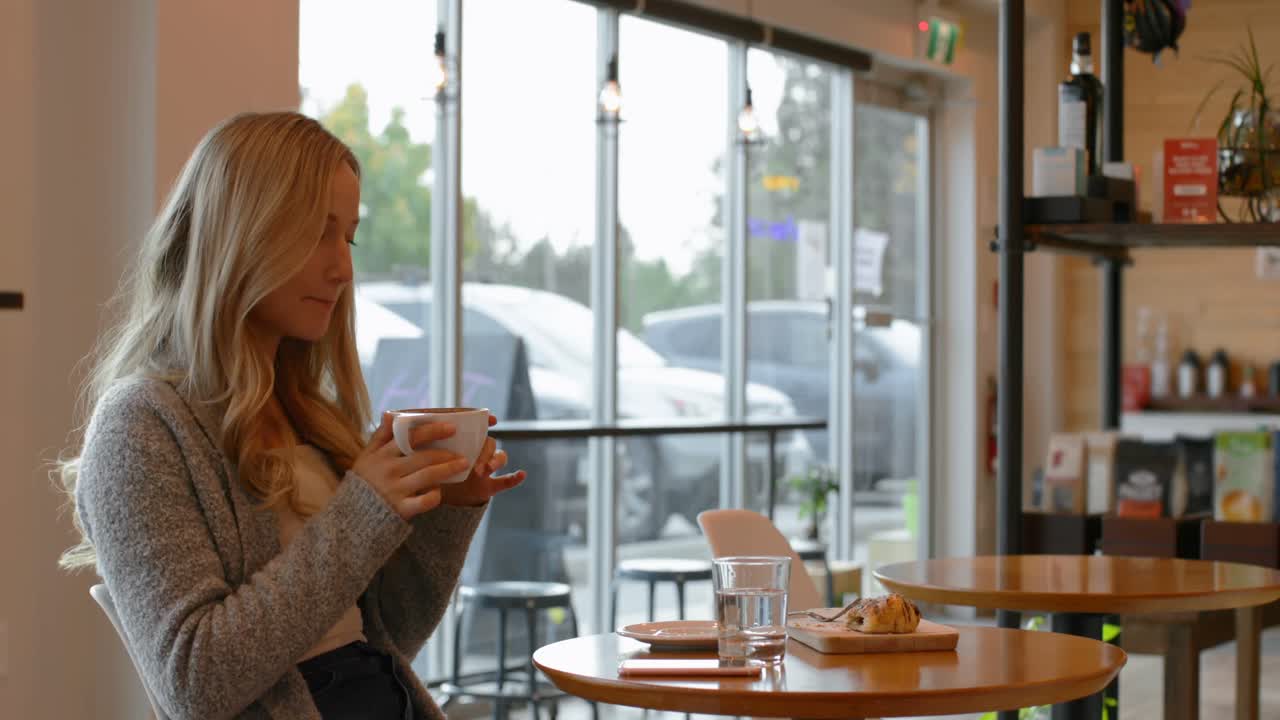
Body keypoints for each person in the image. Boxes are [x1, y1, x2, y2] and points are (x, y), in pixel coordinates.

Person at [56, 111, 525, 719]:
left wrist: (449, 509)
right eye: (315, 233)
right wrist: (363, 513)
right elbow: (195, 681)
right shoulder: (140, 426)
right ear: (239, 233)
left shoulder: (309, 414)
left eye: (349, 237)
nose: (343, 268)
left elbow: (388, 636)